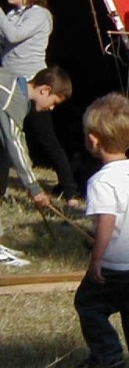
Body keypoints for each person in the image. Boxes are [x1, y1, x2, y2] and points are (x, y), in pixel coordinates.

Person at [73, 93, 129, 368]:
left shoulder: (102, 181)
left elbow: (106, 224)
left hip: (119, 267)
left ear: (93, 139)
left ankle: (108, 355)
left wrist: (96, 260)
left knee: (88, 305)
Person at [0, 0, 81, 208]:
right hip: (9, 86)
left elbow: (13, 35)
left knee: (45, 140)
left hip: (32, 88)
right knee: (5, 143)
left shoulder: (40, 15)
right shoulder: (13, 14)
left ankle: (71, 192)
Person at [0, 65, 71, 266]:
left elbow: (18, 138)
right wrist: (33, 186)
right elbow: (13, 142)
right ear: (45, 90)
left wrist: (29, 176)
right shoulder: (12, 99)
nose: (51, 108)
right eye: (54, 102)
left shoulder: (14, 87)